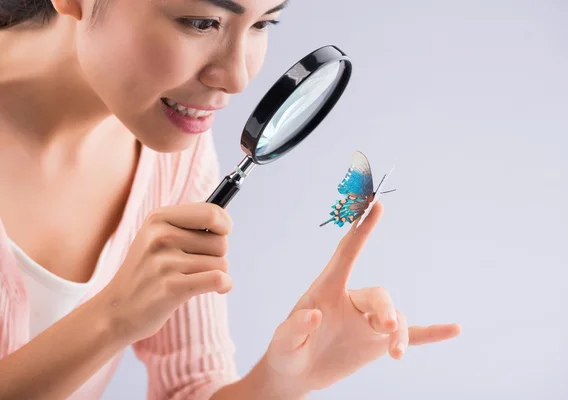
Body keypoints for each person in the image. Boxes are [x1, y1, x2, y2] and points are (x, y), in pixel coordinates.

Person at [0, 0, 462, 398]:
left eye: (264, 23)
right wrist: (111, 320)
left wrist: (282, 380)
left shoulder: (174, 153)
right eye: (202, 22)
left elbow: (189, 388)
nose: (237, 78)